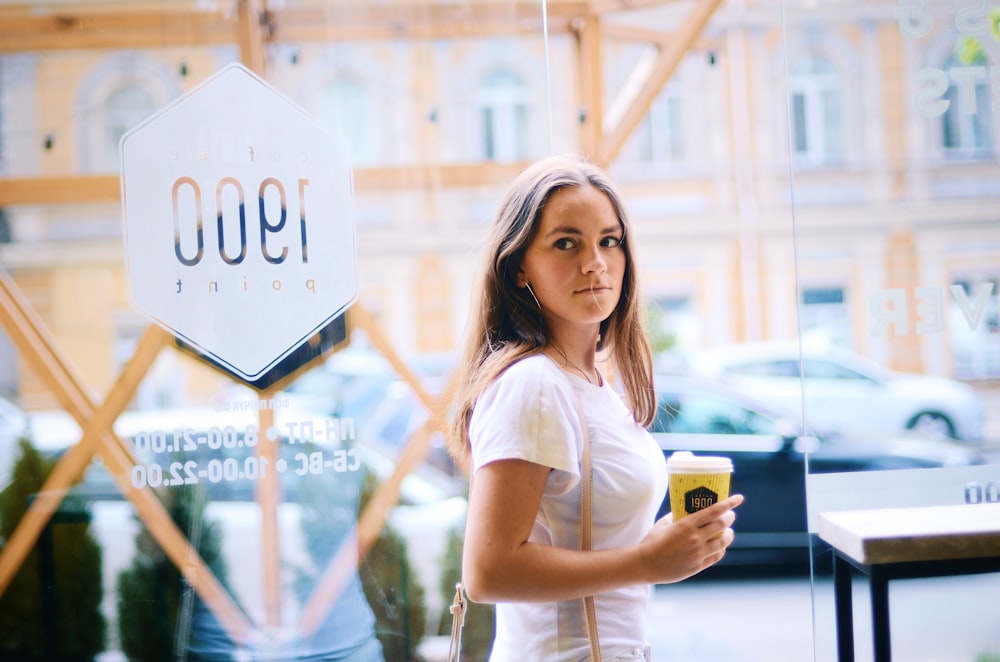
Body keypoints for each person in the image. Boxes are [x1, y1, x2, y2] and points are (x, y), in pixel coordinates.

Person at [447, 154, 744, 661]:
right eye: (566, 243)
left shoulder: (590, 383)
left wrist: (670, 546)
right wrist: (646, 562)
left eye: (609, 240)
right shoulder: (535, 385)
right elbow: (488, 572)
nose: (595, 262)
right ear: (519, 267)